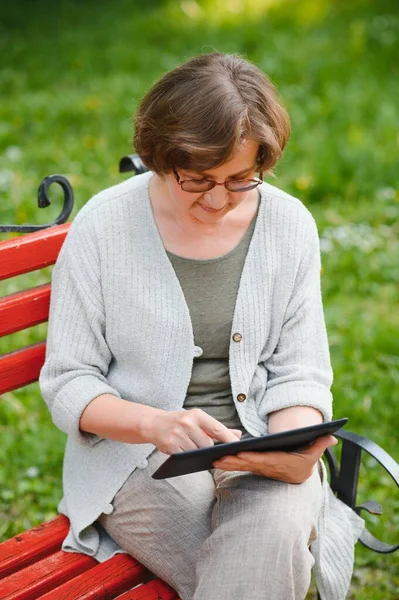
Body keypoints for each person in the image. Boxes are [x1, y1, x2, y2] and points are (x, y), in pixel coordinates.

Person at [39, 52, 364, 600]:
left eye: (241, 179)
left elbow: (299, 369)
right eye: (197, 180)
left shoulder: (287, 225)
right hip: (140, 459)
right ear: (160, 156)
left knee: (272, 526)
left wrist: (294, 447)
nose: (217, 200)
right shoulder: (103, 228)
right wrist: (154, 425)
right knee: (269, 554)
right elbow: (70, 382)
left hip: (254, 442)